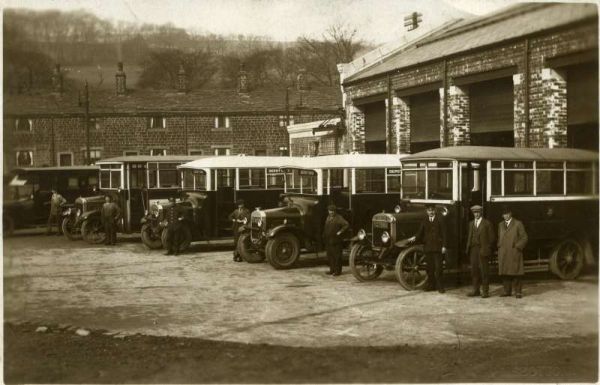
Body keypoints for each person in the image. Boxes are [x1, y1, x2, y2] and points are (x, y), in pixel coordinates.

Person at [408, 204, 447, 293]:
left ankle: (440, 287)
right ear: (427, 211)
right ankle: (431, 286)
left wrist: (444, 246)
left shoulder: (440, 219)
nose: (431, 212)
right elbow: (420, 232)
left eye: (432, 210)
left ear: (435, 210)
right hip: (428, 247)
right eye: (429, 210)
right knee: (429, 268)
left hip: (438, 248)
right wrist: (414, 237)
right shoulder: (425, 220)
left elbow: (445, 234)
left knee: (438, 268)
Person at [497, 205, 528, 298]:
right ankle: (507, 291)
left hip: (514, 252)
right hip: (504, 252)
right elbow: (499, 236)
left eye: (507, 213)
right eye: (504, 214)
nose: (505, 216)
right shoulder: (500, 225)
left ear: (510, 214)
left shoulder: (518, 224)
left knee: (516, 272)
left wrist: (517, 247)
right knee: (505, 272)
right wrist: (499, 245)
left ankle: (518, 292)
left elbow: (524, 237)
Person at [465, 205, 495, 298]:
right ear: (473, 213)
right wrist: (468, 248)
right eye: (474, 212)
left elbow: (492, 238)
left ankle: (485, 291)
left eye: (478, 212)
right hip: (473, 249)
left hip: (483, 249)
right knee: (474, 271)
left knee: (484, 271)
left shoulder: (487, 223)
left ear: (481, 212)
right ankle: (476, 290)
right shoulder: (471, 224)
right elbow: (469, 237)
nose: (476, 214)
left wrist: (487, 248)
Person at [322, 204, 349, 276]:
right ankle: (332, 270)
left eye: (332, 211)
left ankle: (338, 271)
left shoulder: (339, 218)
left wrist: (340, 231)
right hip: (329, 240)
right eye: (329, 211)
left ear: (335, 211)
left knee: (337, 256)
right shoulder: (328, 217)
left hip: (336, 240)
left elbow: (346, 224)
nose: (331, 212)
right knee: (330, 256)